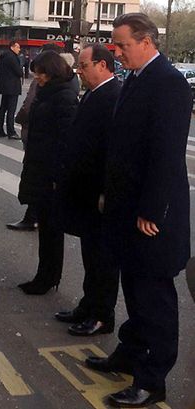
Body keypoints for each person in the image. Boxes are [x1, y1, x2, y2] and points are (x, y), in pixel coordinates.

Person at [84, 13, 192, 407]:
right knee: (134, 290)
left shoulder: (169, 84)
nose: (117, 51)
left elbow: (165, 154)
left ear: (147, 41)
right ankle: (128, 355)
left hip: (152, 216)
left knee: (155, 299)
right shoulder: (137, 78)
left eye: (122, 44)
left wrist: (151, 210)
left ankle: (153, 379)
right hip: (127, 210)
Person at [54, 43, 121, 337]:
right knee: (89, 254)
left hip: (97, 193)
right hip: (84, 189)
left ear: (102, 66)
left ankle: (101, 315)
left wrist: (106, 190)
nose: (79, 71)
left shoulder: (112, 96)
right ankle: (88, 304)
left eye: (84, 66)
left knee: (101, 259)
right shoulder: (96, 93)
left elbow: (111, 150)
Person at [16, 50, 78, 295]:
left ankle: (48, 277)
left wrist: (56, 177)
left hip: (50, 174)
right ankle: (45, 275)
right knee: (46, 228)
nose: (37, 78)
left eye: (39, 74)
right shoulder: (50, 93)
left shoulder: (63, 97)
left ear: (51, 72)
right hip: (41, 169)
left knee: (52, 231)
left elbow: (65, 141)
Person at [8, 43, 64, 231]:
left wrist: (20, 118)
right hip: (41, 141)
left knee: (37, 177)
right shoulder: (64, 81)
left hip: (37, 138)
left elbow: (29, 104)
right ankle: (34, 215)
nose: (37, 76)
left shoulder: (48, 85)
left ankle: (33, 216)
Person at [0, 41, 23, 139]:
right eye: (18, 47)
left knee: (3, 108)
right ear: (12, 47)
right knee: (11, 110)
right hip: (12, 87)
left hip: (4, 86)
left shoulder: (4, 56)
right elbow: (19, 72)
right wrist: (21, 71)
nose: (19, 49)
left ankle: (0, 130)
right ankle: (11, 131)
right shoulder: (12, 57)